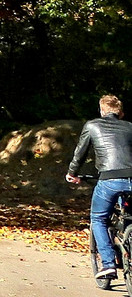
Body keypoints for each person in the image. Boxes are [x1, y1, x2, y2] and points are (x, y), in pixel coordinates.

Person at [67, 95, 132, 283]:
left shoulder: (92, 125)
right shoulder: (129, 127)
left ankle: (108, 264)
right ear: (119, 113)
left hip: (109, 180)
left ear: (102, 111)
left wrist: (72, 172)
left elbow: (80, 153)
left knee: (98, 218)